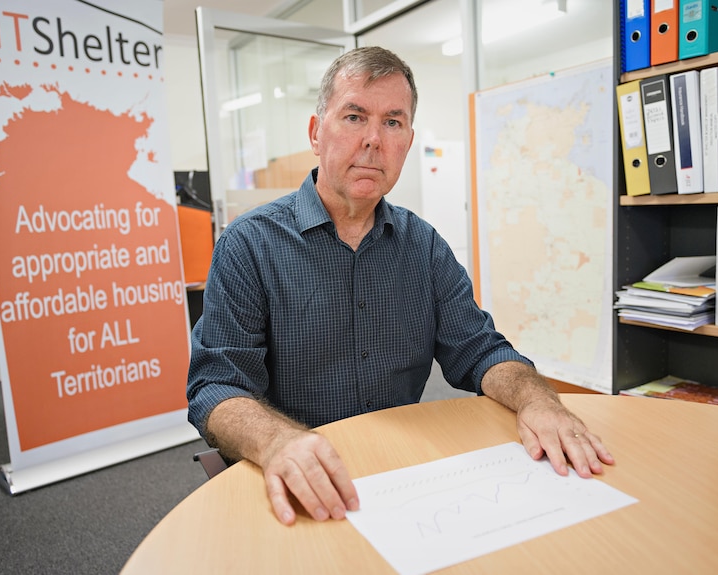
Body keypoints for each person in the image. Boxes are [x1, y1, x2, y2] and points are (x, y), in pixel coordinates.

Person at [186, 46, 614, 526]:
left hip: (402, 477)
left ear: (408, 141)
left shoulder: (423, 245)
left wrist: (539, 398)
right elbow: (216, 385)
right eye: (354, 116)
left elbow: (479, 351)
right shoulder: (250, 245)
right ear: (315, 132)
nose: (373, 140)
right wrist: (277, 441)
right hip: (300, 477)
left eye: (392, 122)